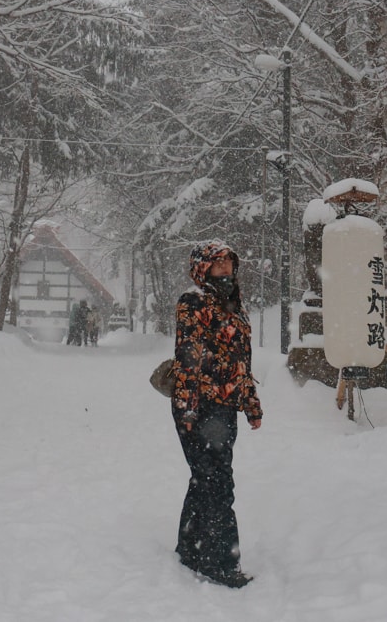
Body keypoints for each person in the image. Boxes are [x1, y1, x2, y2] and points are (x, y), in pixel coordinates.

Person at [170, 240, 262, 588]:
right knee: (218, 484)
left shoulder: (234, 305)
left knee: (206, 479)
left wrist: (250, 403)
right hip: (199, 406)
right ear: (201, 268)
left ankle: (190, 548)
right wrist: (188, 408)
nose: (225, 268)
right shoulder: (193, 301)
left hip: (224, 408)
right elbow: (187, 357)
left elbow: (243, 360)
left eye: (228, 262)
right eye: (217, 263)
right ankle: (220, 562)